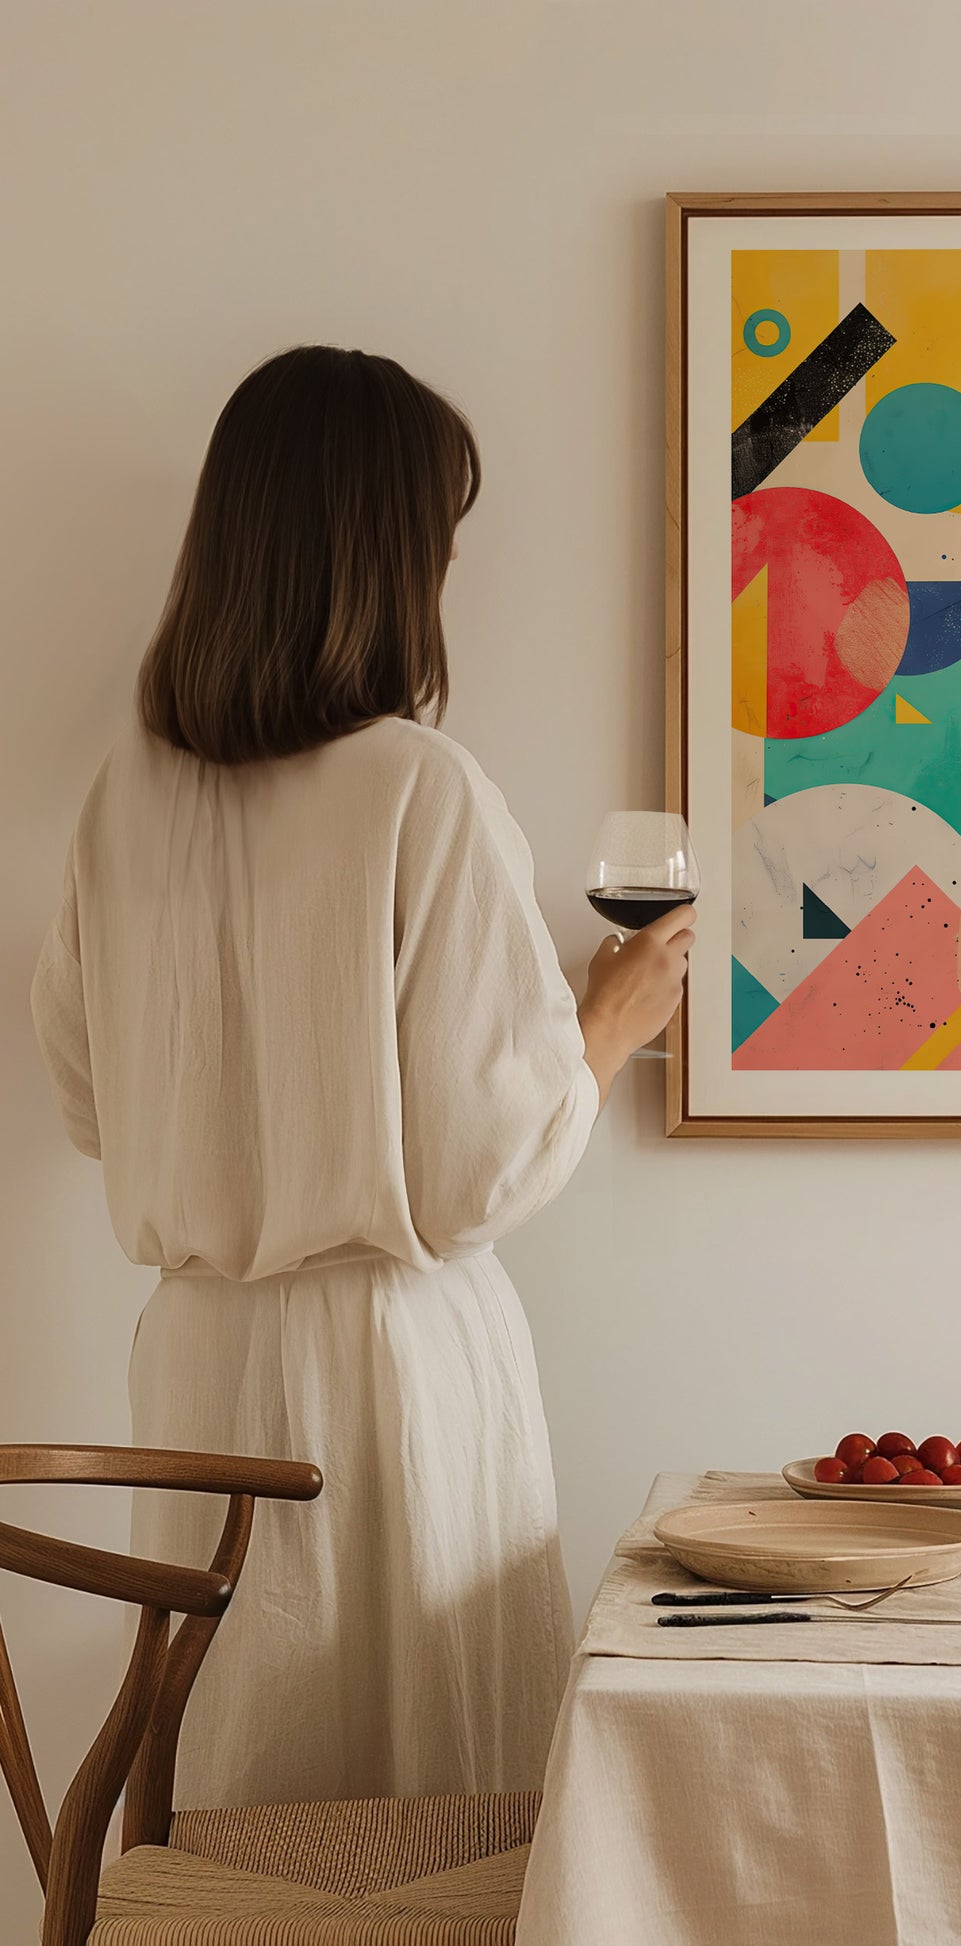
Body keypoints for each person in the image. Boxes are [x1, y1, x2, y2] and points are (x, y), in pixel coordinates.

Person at [29, 345, 691, 1806]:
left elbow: (87, 1100)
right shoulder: (418, 785)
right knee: (423, 1809)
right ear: (388, 555)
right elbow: (473, 1174)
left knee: (240, 1789)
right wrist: (606, 1018)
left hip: (196, 1361)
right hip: (391, 1371)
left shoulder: (123, 796)